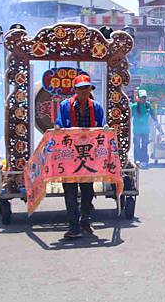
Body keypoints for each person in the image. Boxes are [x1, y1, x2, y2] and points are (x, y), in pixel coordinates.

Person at [55, 74, 105, 238]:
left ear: (91, 89)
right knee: (69, 190)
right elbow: (59, 123)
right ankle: (73, 225)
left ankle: (85, 219)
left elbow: (101, 125)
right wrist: (57, 128)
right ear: (75, 90)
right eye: (81, 88)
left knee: (87, 190)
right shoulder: (64, 106)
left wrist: (106, 129)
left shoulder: (96, 107)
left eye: (87, 87)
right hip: (69, 155)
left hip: (88, 155)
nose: (84, 91)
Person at [130, 89, 160, 168]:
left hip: (146, 130)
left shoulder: (148, 105)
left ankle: (144, 160)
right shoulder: (133, 106)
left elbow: (153, 114)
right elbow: (129, 116)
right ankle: (137, 160)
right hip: (136, 130)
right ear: (138, 98)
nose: (143, 99)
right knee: (136, 145)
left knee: (144, 145)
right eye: (142, 97)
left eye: (144, 97)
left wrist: (156, 122)